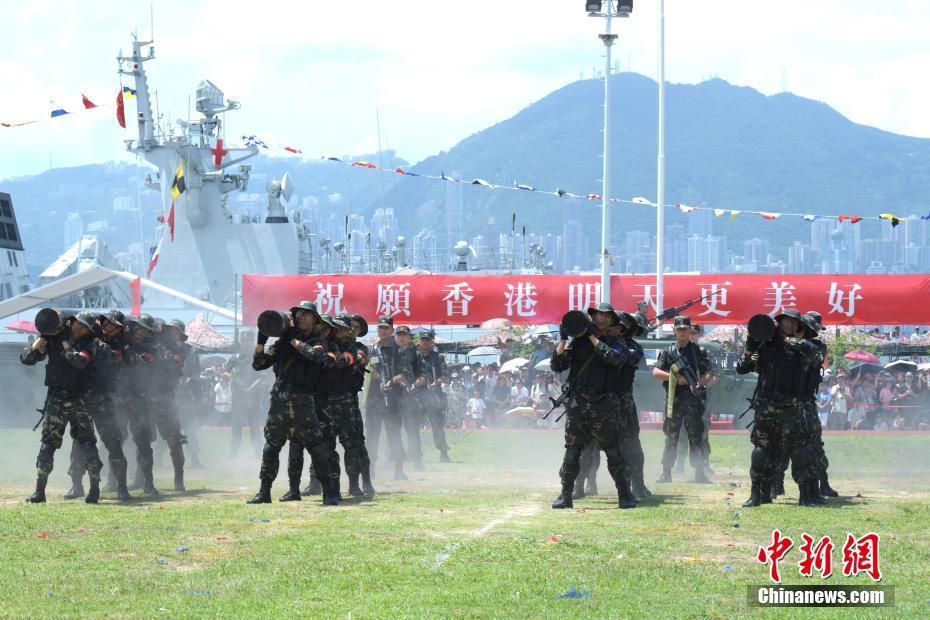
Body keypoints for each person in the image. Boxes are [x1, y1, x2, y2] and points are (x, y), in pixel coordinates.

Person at [248, 301, 338, 505]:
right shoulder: (282, 342)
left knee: (316, 446)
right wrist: (261, 341)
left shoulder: (318, 341)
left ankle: (329, 492)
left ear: (315, 320)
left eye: (308, 314)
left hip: (303, 400)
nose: (302, 317)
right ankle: (264, 492)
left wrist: (293, 341)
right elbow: (258, 364)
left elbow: (317, 356)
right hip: (280, 398)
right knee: (271, 446)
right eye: (299, 314)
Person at [550, 302, 638, 510]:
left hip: (604, 405)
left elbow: (614, 359)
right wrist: (563, 338)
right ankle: (565, 495)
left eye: (606, 316)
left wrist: (591, 337)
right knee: (572, 451)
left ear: (611, 321)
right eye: (597, 315)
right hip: (578, 405)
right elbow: (557, 364)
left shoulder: (617, 342)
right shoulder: (578, 343)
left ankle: (624, 494)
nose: (600, 318)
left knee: (613, 452)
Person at [737, 308, 825, 507]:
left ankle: (805, 496)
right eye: (785, 321)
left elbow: (817, 354)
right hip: (767, 406)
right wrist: (751, 349)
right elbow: (742, 368)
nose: (788, 325)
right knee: (761, 450)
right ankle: (757, 494)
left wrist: (788, 342)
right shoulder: (765, 346)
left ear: (797, 326)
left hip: (792, 408)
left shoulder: (801, 346)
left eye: (793, 322)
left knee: (799, 452)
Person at [21, 311, 104, 504]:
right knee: (47, 444)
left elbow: (79, 362)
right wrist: (42, 339)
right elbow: (27, 358)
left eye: (83, 327)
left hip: (79, 400)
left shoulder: (89, 344)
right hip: (56, 400)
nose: (78, 327)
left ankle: (94, 489)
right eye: (76, 323)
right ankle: (39, 491)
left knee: (87, 444)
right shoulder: (52, 340)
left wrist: (65, 342)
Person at [63, 310, 132, 502]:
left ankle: (122, 487)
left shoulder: (118, 345)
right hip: (81, 398)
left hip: (103, 398)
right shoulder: (84, 339)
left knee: (113, 443)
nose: (108, 327)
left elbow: (117, 361)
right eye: (106, 323)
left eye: (113, 325)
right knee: (79, 444)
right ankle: (76, 485)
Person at [653, 316, 713, 484]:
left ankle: (699, 473)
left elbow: (708, 372)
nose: (682, 332)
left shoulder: (699, 352)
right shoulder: (668, 352)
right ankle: (666, 472)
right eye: (679, 329)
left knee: (695, 437)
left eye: (685, 329)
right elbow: (656, 373)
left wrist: (700, 384)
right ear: (674, 331)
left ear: (690, 330)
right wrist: (674, 378)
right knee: (671, 437)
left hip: (693, 402)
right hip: (674, 401)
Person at [366, 316, 411, 480]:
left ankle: (399, 470)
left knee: (394, 435)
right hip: (374, 400)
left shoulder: (398, 350)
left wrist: (391, 382)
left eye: (386, 328)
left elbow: (404, 373)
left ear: (392, 330)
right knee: (372, 436)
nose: (383, 331)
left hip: (393, 399)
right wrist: (372, 376)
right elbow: (366, 372)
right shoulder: (371, 349)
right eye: (380, 328)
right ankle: (369, 470)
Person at [411, 330, 451, 463]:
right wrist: (415, 383)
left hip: (434, 395)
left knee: (437, 426)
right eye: (423, 339)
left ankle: (443, 452)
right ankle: (415, 454)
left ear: (432, 342)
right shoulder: (415, 357)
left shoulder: (438, 357)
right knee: (413, 425)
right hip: (418, 395)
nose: (425, 342)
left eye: (428, 340)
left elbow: (444, 375)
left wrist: (435, 382)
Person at [225, 332, 264, 458]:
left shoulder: (257, 356)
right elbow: (226, 371)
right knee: (236, 425)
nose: (244, 342)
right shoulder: (235, 357)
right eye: (243, 340)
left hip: (253, 397)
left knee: (254, 426)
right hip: (238, 397)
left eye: (247, 340)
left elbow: (262, 376)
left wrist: (251, 388)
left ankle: (258, 453)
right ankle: (233, 453)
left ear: (252, 341)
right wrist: (228, 376)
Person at [395, 325, 424, 470]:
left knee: (412, 430)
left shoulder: (416, 354)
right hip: (393, 397)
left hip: (411, 397)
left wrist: (415, 384)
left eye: (404, 334)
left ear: (409, 337)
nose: (401, 337)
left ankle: (417, 460)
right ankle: (394, 461)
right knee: (392, 430)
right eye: (399, 334)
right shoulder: (391, 352)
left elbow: (422, 374)